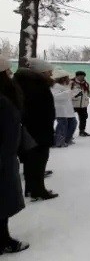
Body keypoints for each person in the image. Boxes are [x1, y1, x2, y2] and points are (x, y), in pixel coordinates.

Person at [13, 58, 58, 201]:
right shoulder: (36, 85)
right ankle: (38, 190)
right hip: (38, 129)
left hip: (33, 128)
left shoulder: (27, 83)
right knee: (38, 160)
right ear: (41, 71)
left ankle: (31, 189)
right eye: (48, 71)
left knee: (31, 160)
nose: (51, 73)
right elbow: (36, 109)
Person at [0, 56, 29, 254]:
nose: (11, 76)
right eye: (8, 73)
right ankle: (3, 240)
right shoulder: (2, 101)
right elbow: (8, 133)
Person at [51, 69, 78, 148]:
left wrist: (73, 93)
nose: (69, 79)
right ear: (63, 78)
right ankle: (59, 141)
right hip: (60, 109)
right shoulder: (55, 86)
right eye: (67, 77)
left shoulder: (64, 86)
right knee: (63, 125)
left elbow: (66, 96)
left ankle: (66, 139)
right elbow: (55, 97)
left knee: (72, 123)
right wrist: (69, 93)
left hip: (67, 109)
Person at [71, 71, 90, 137]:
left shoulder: (86, 84)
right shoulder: (71, 83)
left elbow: (88, 93)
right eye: (80, 76)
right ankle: (68, 133)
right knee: (69, 119)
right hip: (73, 104)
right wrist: (75, 95)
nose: (82, 77)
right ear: (76, 76)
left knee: (83, 118)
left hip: (83, 105)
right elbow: (68, 93)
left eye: (83, 76)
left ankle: (82, 131)